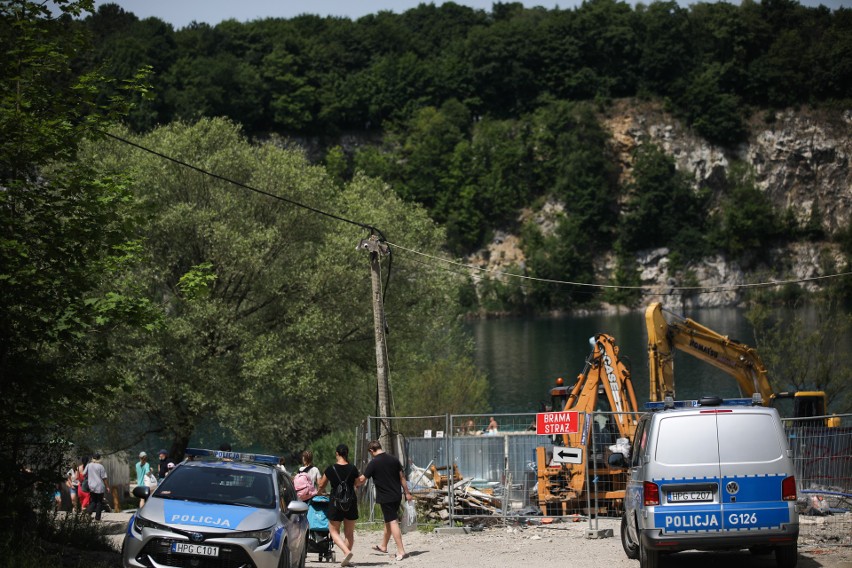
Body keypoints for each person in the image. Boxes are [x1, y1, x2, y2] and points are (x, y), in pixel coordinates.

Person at [357, 440, 413, 561]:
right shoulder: (394, 459)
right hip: (397, 495)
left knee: (392, 521)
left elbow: (362, 479)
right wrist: (407, 493)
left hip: (386, 497)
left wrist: (353, 482)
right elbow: (402, 477)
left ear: (372, 450)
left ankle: (401, 550)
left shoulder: (373, 463)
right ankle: (383, 546)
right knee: (388, 521)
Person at [317, 444, 363, 567]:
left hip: (335, 502)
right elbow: (357, 483)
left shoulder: (331, 469)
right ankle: (346, 558)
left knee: (333, 531)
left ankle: (346, 552)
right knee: (349, 533)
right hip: (350, 502)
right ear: (346, 453)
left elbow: (321, 485)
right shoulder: (353, 468)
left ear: (337, 453)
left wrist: (319, 492)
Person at [84, 453, 110, 521]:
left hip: (91, 486)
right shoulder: (100, 466)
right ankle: (97, 518)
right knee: (99, 502)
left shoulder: (88, 465)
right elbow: (104, 478)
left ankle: (88, 512)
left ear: (92, 458)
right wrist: (107, 487)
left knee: (93, 501)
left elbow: (84, 474)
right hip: (99, 486)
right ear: (99, 458)